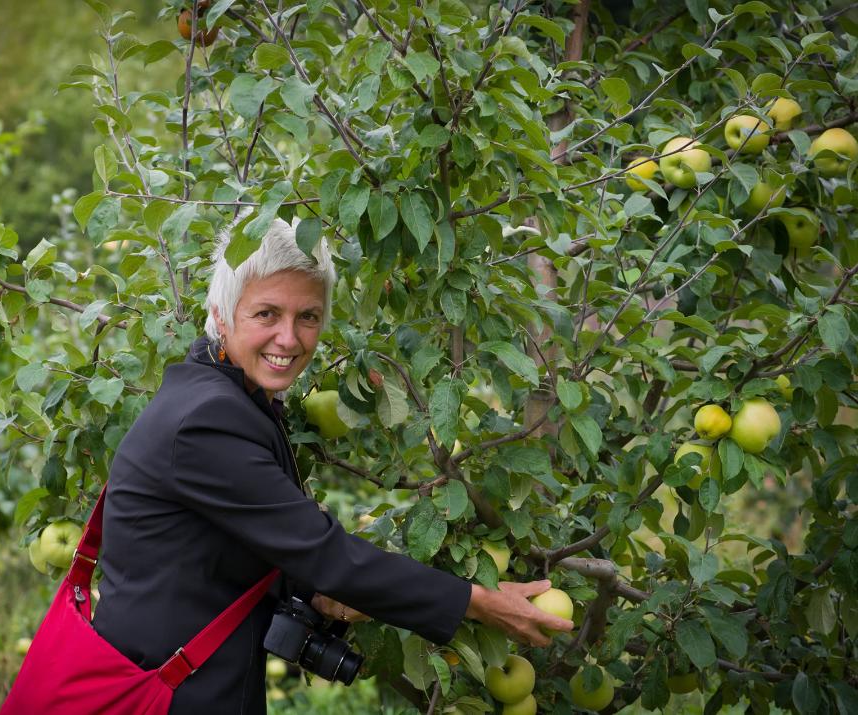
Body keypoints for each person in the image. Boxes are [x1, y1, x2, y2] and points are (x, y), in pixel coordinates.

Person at [91, 218, 572, 714]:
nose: (288, 338)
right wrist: (480, 601)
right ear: (221, 313)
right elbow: (324, 553)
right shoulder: (208, 419)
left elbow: (232, 541)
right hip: (159, 697)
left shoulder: (227, 395)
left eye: (308, 316)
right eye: (266, 313)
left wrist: (315, 592)